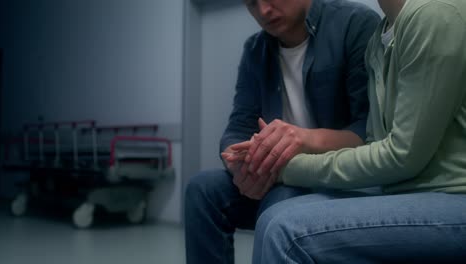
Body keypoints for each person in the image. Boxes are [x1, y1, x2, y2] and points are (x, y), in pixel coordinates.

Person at [231, 0, 466, 263]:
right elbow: (377, 142)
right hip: (406, 186)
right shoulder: (381, 37)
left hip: (453, 194)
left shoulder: (434, 14)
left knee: (284, 230)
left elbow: (401, 156)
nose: (263, 10)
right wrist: (249, 162)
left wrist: (285, 169)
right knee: (271, 218)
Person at [184, 0, 380, 263]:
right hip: (276, 176)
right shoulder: (255, 50)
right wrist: (240, 167)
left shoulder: (354, 24)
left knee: (282, 196)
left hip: (334, 178)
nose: (263, 10)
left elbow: (369, 130)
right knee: (202, 190)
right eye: (252, 3)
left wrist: (303, 139)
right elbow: (237, 129)